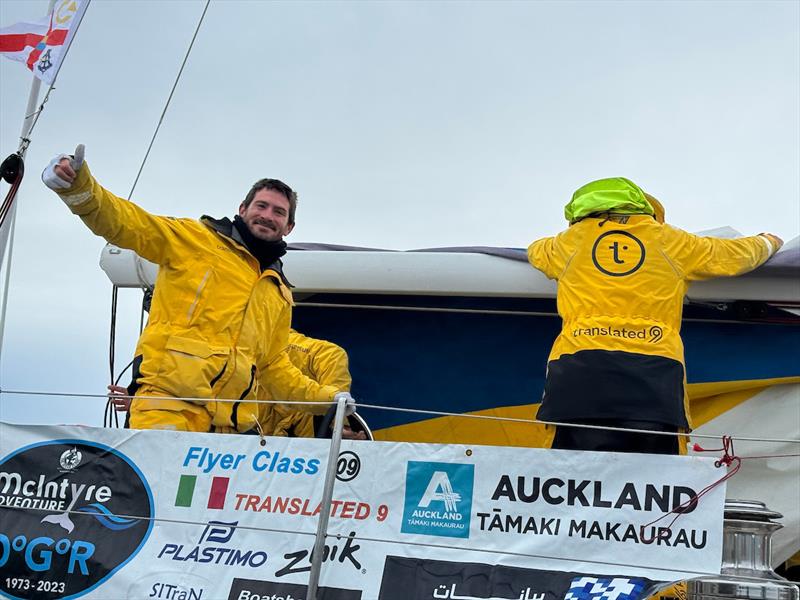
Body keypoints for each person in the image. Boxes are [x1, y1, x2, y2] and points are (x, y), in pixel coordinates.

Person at [43, 145, 350, 432]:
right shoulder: (196, 239)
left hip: (230, 430)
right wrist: (80, 188)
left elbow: (274, 367)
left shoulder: (278, 292)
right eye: (261, 206)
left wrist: (329, 399)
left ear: (289, 227)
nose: (267, 216)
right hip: (166, 408)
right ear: (243, 209)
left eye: (278, 212)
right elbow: (130, 224)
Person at [528, 177, 783, 454]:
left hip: (578, 372)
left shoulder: (565, 245)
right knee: (658, 484)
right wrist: (768, 241)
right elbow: (733, 255)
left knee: (570, 480)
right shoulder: (669, 240)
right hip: (655, 377)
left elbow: (535, 251)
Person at [108, 329, 368, 439]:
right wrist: (142, 397)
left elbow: (332, 360)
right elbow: (188, 385)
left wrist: (337, 426)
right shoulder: (217, 350)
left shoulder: (289, 345)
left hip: (277, 457)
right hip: (236, 451)